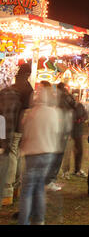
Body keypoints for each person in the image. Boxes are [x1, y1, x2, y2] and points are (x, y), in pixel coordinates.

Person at [18, 82, 60, 225]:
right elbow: (56, 132)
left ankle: (24, 221)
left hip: (33, 153)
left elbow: (26, 133)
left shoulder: (32, 113)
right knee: (39, 187)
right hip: (48, 153)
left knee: (27, 190)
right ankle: (39, 219)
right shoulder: (53, 112)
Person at [45, 82, 76, 191]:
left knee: (53, 155)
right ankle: (50, 180)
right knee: (57, 156)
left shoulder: (54, 97)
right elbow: (74, 104)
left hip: (56, 129)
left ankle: (49, 179)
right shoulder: (65, 98)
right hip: (62, 129)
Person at [0, 79, 23, 207]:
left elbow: (6, 120)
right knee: (15, 157)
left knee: (9, 159)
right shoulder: (19, 94)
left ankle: (7, 193)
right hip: (16, 132)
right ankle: (14, 189)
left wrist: (5, 143)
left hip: (9, 134)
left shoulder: (7, 95)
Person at [71, 93, 88, 177]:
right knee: (72, 152)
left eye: (77, 96)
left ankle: (77, 169)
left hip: (78, 132)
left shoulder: (80, 105)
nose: (76, 98)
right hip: (72, 131)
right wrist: (75, 120)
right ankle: (71, 170)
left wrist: (81, 119)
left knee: (79, 151)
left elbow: (86, 114)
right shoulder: (71, 107)